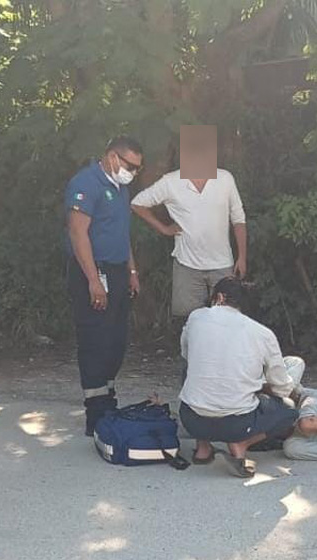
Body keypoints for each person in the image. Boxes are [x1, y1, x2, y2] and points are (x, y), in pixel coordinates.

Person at [179, 277, 298, 478]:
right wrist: (261, 388)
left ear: (219, 297)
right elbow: (281, 387)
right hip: (238, 425)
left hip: (192, 419)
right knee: (289, 412)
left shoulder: (196, 317)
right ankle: (241, 444)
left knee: (189, 370)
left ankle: (203, 449)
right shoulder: (262, 333)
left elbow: (186, 353)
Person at [65, 135, 144, 436]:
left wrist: (132, 269)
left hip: (118, 269)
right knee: (95, 340)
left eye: (137, 168)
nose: (133, 172)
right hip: (92, 270)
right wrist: (93, 281)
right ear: (112, 157)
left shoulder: (120, 188)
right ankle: (95, 413)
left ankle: (108, 401)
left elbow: (122, 234)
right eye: (130, 165)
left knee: (115, 340)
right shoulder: (85, 183)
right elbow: (78, 234)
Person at [131, 152, 247, 319]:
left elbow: (238, 218)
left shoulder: (225, 179)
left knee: (228, 319)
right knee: (189, 320)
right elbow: (137, 203)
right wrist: (164, 229)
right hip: (187, 265)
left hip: (222, 263)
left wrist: (242, 257)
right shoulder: (170, 182)